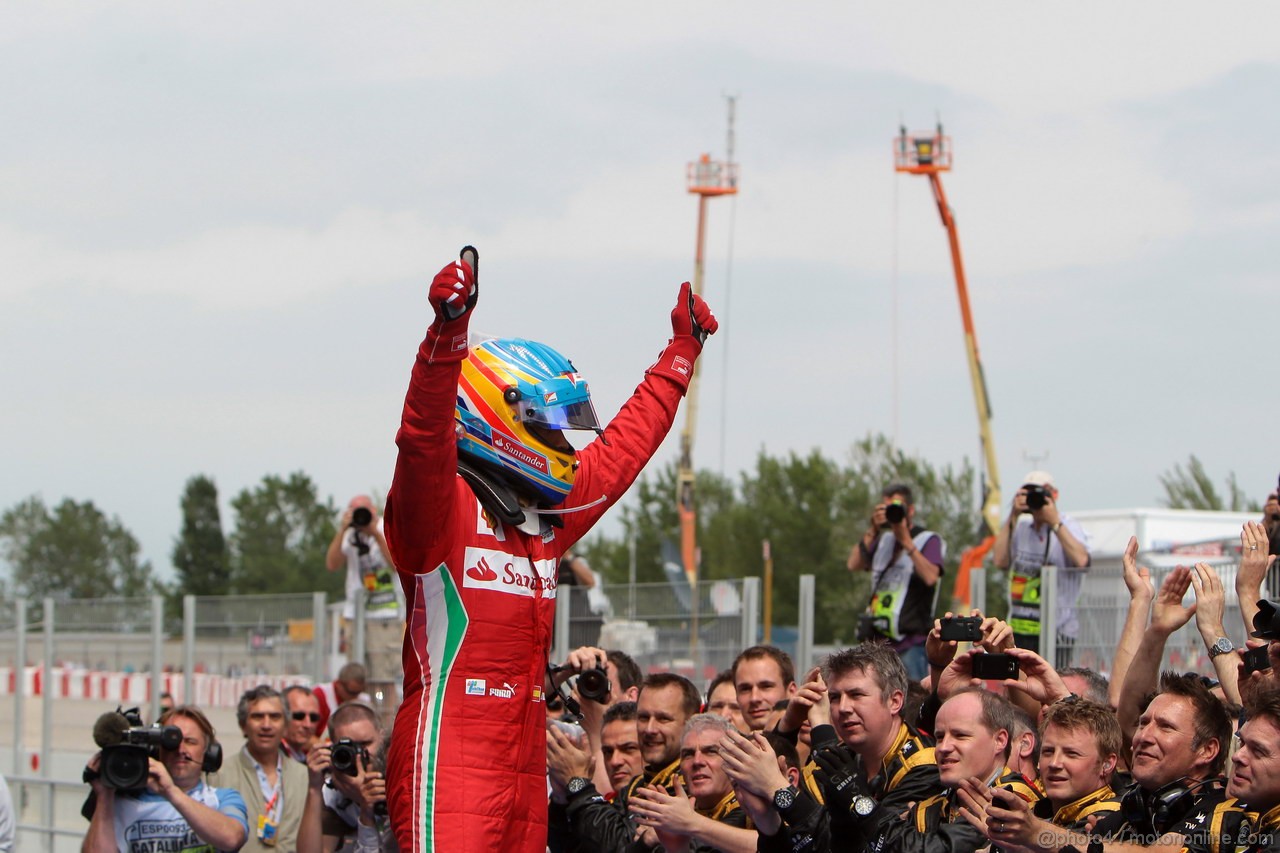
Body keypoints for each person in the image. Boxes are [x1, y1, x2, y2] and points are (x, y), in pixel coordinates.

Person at [382, 248, 717, 853]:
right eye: (550, 425)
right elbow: (422, 439)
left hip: (526, 763)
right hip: (447, 757)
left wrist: (679, 355)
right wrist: (445, 338)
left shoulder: (546, 519)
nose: (563, 441)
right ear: (495, 414)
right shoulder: (437, 510)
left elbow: (620, 454)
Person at [865, 688, 1040, 852]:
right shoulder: (927, 809)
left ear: (1000, 741)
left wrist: (861, 805)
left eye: (960, 735)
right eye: (940, 737)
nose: (943, 747)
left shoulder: (1016, 798)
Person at [550, 673, 703, 852]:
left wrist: (577, 783)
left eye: (663, 719)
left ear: (692, 723)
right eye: (643, 718)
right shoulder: (635, 786)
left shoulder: (696, 783)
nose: (650, 729)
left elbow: (618, 846)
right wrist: (561, 798)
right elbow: (582, 848)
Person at [83, 704, 249, 853]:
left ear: (208, 752)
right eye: (172, 742)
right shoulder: (122, 805)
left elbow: (232, 839)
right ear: (157, 749)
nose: (181, 750)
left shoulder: (223, 799)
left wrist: (170, 792)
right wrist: (104, 795)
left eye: (190, 742)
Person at [847, 484, 946, 681]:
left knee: (912, 701)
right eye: (886, 508)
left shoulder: (927, 540)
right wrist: (873, 529)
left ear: (910, 510)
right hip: (877, 643)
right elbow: (853, 564)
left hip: (911, 642)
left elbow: (931, 577)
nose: (891, 512)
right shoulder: (882, 540)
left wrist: (906, 542)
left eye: (896, 507)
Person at [993, 470, 1091, 666]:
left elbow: (1082, 561)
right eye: (1028, 493)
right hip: (1021, 628)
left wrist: (1054, 522)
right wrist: (1012, 515)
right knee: (1019, 688)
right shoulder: (1020, 529)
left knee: (1052, 689)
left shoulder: (1068, 526)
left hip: (1057, 629)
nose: (1034, 498)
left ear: (1054, 495)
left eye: (1040, 492)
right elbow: (1000, 561)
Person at [629, 714, 755, 852]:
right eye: (688, 754)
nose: (697, 761)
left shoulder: (750, 808)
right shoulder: (674, 808)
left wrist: (687, 823)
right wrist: (648, 838)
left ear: (734, 760)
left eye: (711, 752)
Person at [326, 495, 403, 719]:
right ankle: (359, 718)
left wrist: (375, 534)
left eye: (363, 511)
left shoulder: (385, 528)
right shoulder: (349, 534)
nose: (360, 516)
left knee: (384, 676)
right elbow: (332, 564)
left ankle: (385, 722)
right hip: (356, 615)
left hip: (385, 614)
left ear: (374, 511)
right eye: (354, 511)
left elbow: (396, 564)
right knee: (357, 675)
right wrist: (342, 530)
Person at [213, 685, 313, 852]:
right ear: (243, 725)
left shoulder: (305, 777)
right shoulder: (220, 774)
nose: (266, 725)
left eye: (275, 717)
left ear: (285, 725)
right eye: (258, 717)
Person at [311, 701, 395, 852]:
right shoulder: (332, 793)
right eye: (349, 747)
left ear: (381, 737)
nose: (359, 754)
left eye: (365, 744)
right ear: (332, 747)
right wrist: (313, 788)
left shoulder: (396, 777)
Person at [732, 645, 797, 732]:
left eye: (766, 686)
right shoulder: (723, 744)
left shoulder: (815, 742)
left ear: (791, 691)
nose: (754, 698)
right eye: (745, 689)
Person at [558, 551, 605, 648]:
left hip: (575, 617)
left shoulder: (577, 560)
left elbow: (591, 582)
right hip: (554, 617)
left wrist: (569, 558)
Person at [599, 702, 644, 797]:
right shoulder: (602, 806)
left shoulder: (674, 805)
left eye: (628, 749)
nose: (614, 761)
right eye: (608, 752)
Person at [314, 662, 370, 734]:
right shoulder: (321, 695)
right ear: (338, 684)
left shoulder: (364, 700)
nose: (355, 697)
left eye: (359, 692)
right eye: (351, 692)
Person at [283, 685, 322, 763]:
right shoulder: (272, 756)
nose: (308, 724)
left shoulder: (307, 758)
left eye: (313, 717)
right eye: (299, 716)